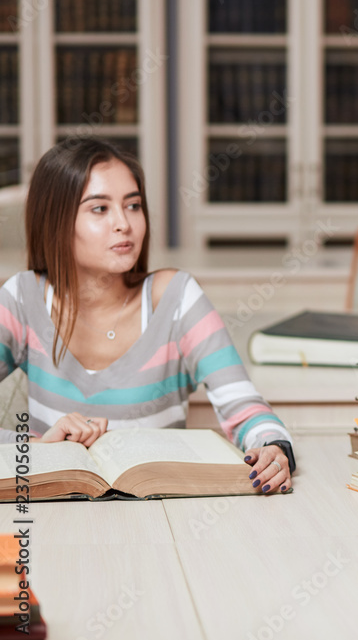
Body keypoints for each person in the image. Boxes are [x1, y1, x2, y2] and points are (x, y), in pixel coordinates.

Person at [0, 138, 294, 493]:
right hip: (53, 514)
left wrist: (274, 448)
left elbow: (244, 406)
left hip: (164, 515)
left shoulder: (177, 299)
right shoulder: (22, 299)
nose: (124, 224)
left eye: (133, 205)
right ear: (56, 221)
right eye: (99, 209)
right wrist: (38, 448)